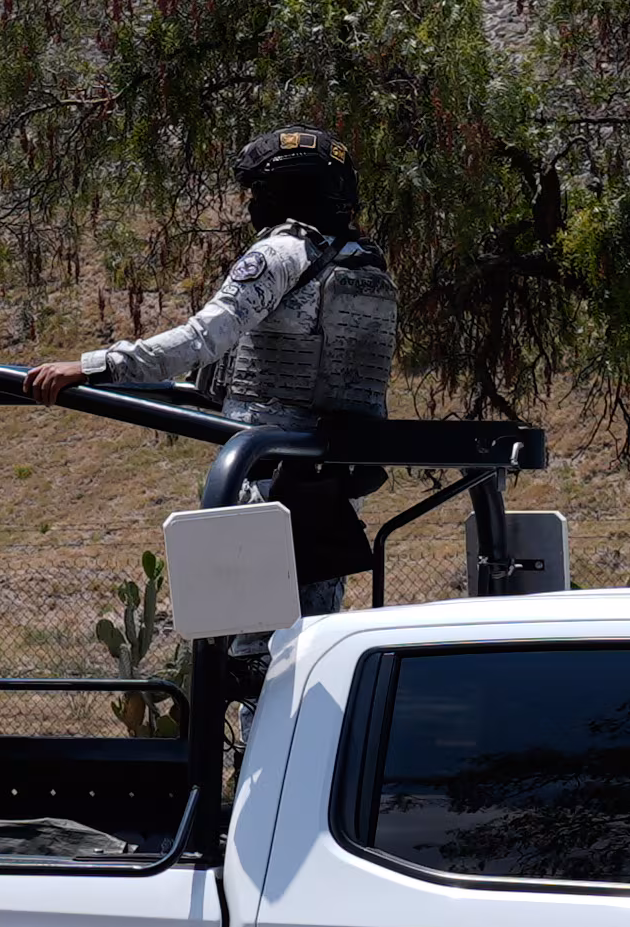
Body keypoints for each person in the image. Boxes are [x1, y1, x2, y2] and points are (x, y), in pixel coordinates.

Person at [27, 125, 399, 614]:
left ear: (290, 192)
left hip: (261, 477)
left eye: (259, 191)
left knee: (239, 648)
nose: (251, 205)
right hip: (331, 491)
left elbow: (203, 338)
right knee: (307, 644)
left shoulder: (281, 254)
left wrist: (91, 367)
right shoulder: (368, 268)